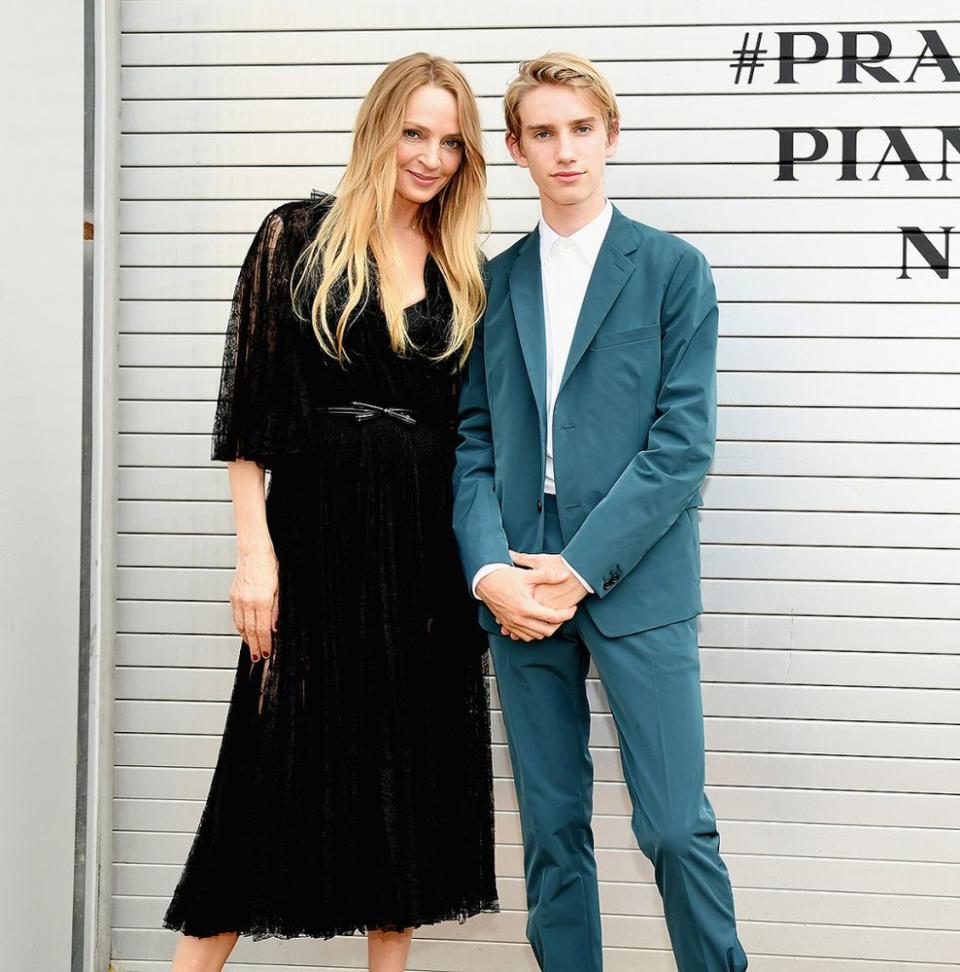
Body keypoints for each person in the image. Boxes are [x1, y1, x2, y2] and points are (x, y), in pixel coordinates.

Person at [162, 52, 500, 972]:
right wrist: (253, 554)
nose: (430, 157)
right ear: (379, 127)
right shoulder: (295, 235)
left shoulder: (465, 269)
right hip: (314, 542)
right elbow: (252, 413)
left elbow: (470, 431)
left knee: (405, 786)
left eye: (450, 141)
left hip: (421, 553)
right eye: (414, 133)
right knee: (262, 785)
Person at [452, 53, 749, 971]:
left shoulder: (670, 269)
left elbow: (682, 446)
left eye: (581, 129)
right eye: (543, 133)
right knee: (552, 833)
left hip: (634, 577)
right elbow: (472, 445)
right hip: (517, 585)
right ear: (515, 148)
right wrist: (490, 568)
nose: (565, 150)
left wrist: (579, 567)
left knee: (672, 828)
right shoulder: (490, 284)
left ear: (610, 135)